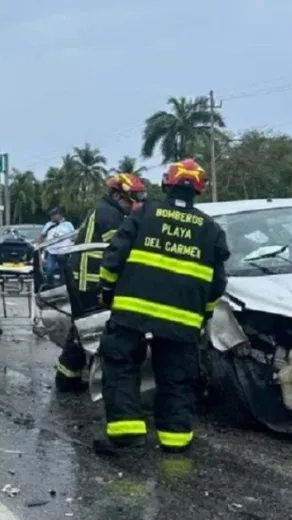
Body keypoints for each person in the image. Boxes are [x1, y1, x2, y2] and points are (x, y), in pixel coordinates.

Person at [93, 159, 230, 456]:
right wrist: (203, 314)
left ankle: (125, 432)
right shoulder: (211, 229)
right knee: (177, 376)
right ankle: (175, 440)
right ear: (198, 190)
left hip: (132, 311)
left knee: (120, 365)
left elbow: (114, 258)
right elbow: (217, 283)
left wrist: (106, 292)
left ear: (167, 184)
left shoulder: (145, 214)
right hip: (181, 321)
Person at [55, 173, 146, 393]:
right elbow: (119, 251)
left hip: (85, 278)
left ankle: (68, 376)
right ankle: (70, 378)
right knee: (88, 328)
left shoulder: (109, 211)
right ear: (117, 195)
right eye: (129, 199)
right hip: (89, 281)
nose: (132, 204)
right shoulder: (110, 215)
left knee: (81, 327)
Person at [37, 207, 76, 288]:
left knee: (65, 270)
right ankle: (50, 285)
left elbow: (74, 236)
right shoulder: (49, 225)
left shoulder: (68, 225)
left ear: (60, 215)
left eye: (54, 215)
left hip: (64, 252)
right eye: (51, 215)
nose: (52, 217)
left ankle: (64, 286)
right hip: (52, 251)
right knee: (49, 270)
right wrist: (38, 245)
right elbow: (42, 236)